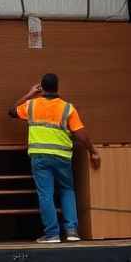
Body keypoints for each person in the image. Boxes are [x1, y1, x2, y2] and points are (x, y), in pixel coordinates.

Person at [9, 73, 101, 244]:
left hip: (40, 157)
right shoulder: (67, 108)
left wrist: (29, 94)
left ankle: (52, 235)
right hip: (62, 157)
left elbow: (12, 111)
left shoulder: (31, 105)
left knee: (46, 194)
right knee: (67, 191)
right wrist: (92, 151)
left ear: (41, 88)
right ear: (58, 87)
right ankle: (72, 231)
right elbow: (81, 134)